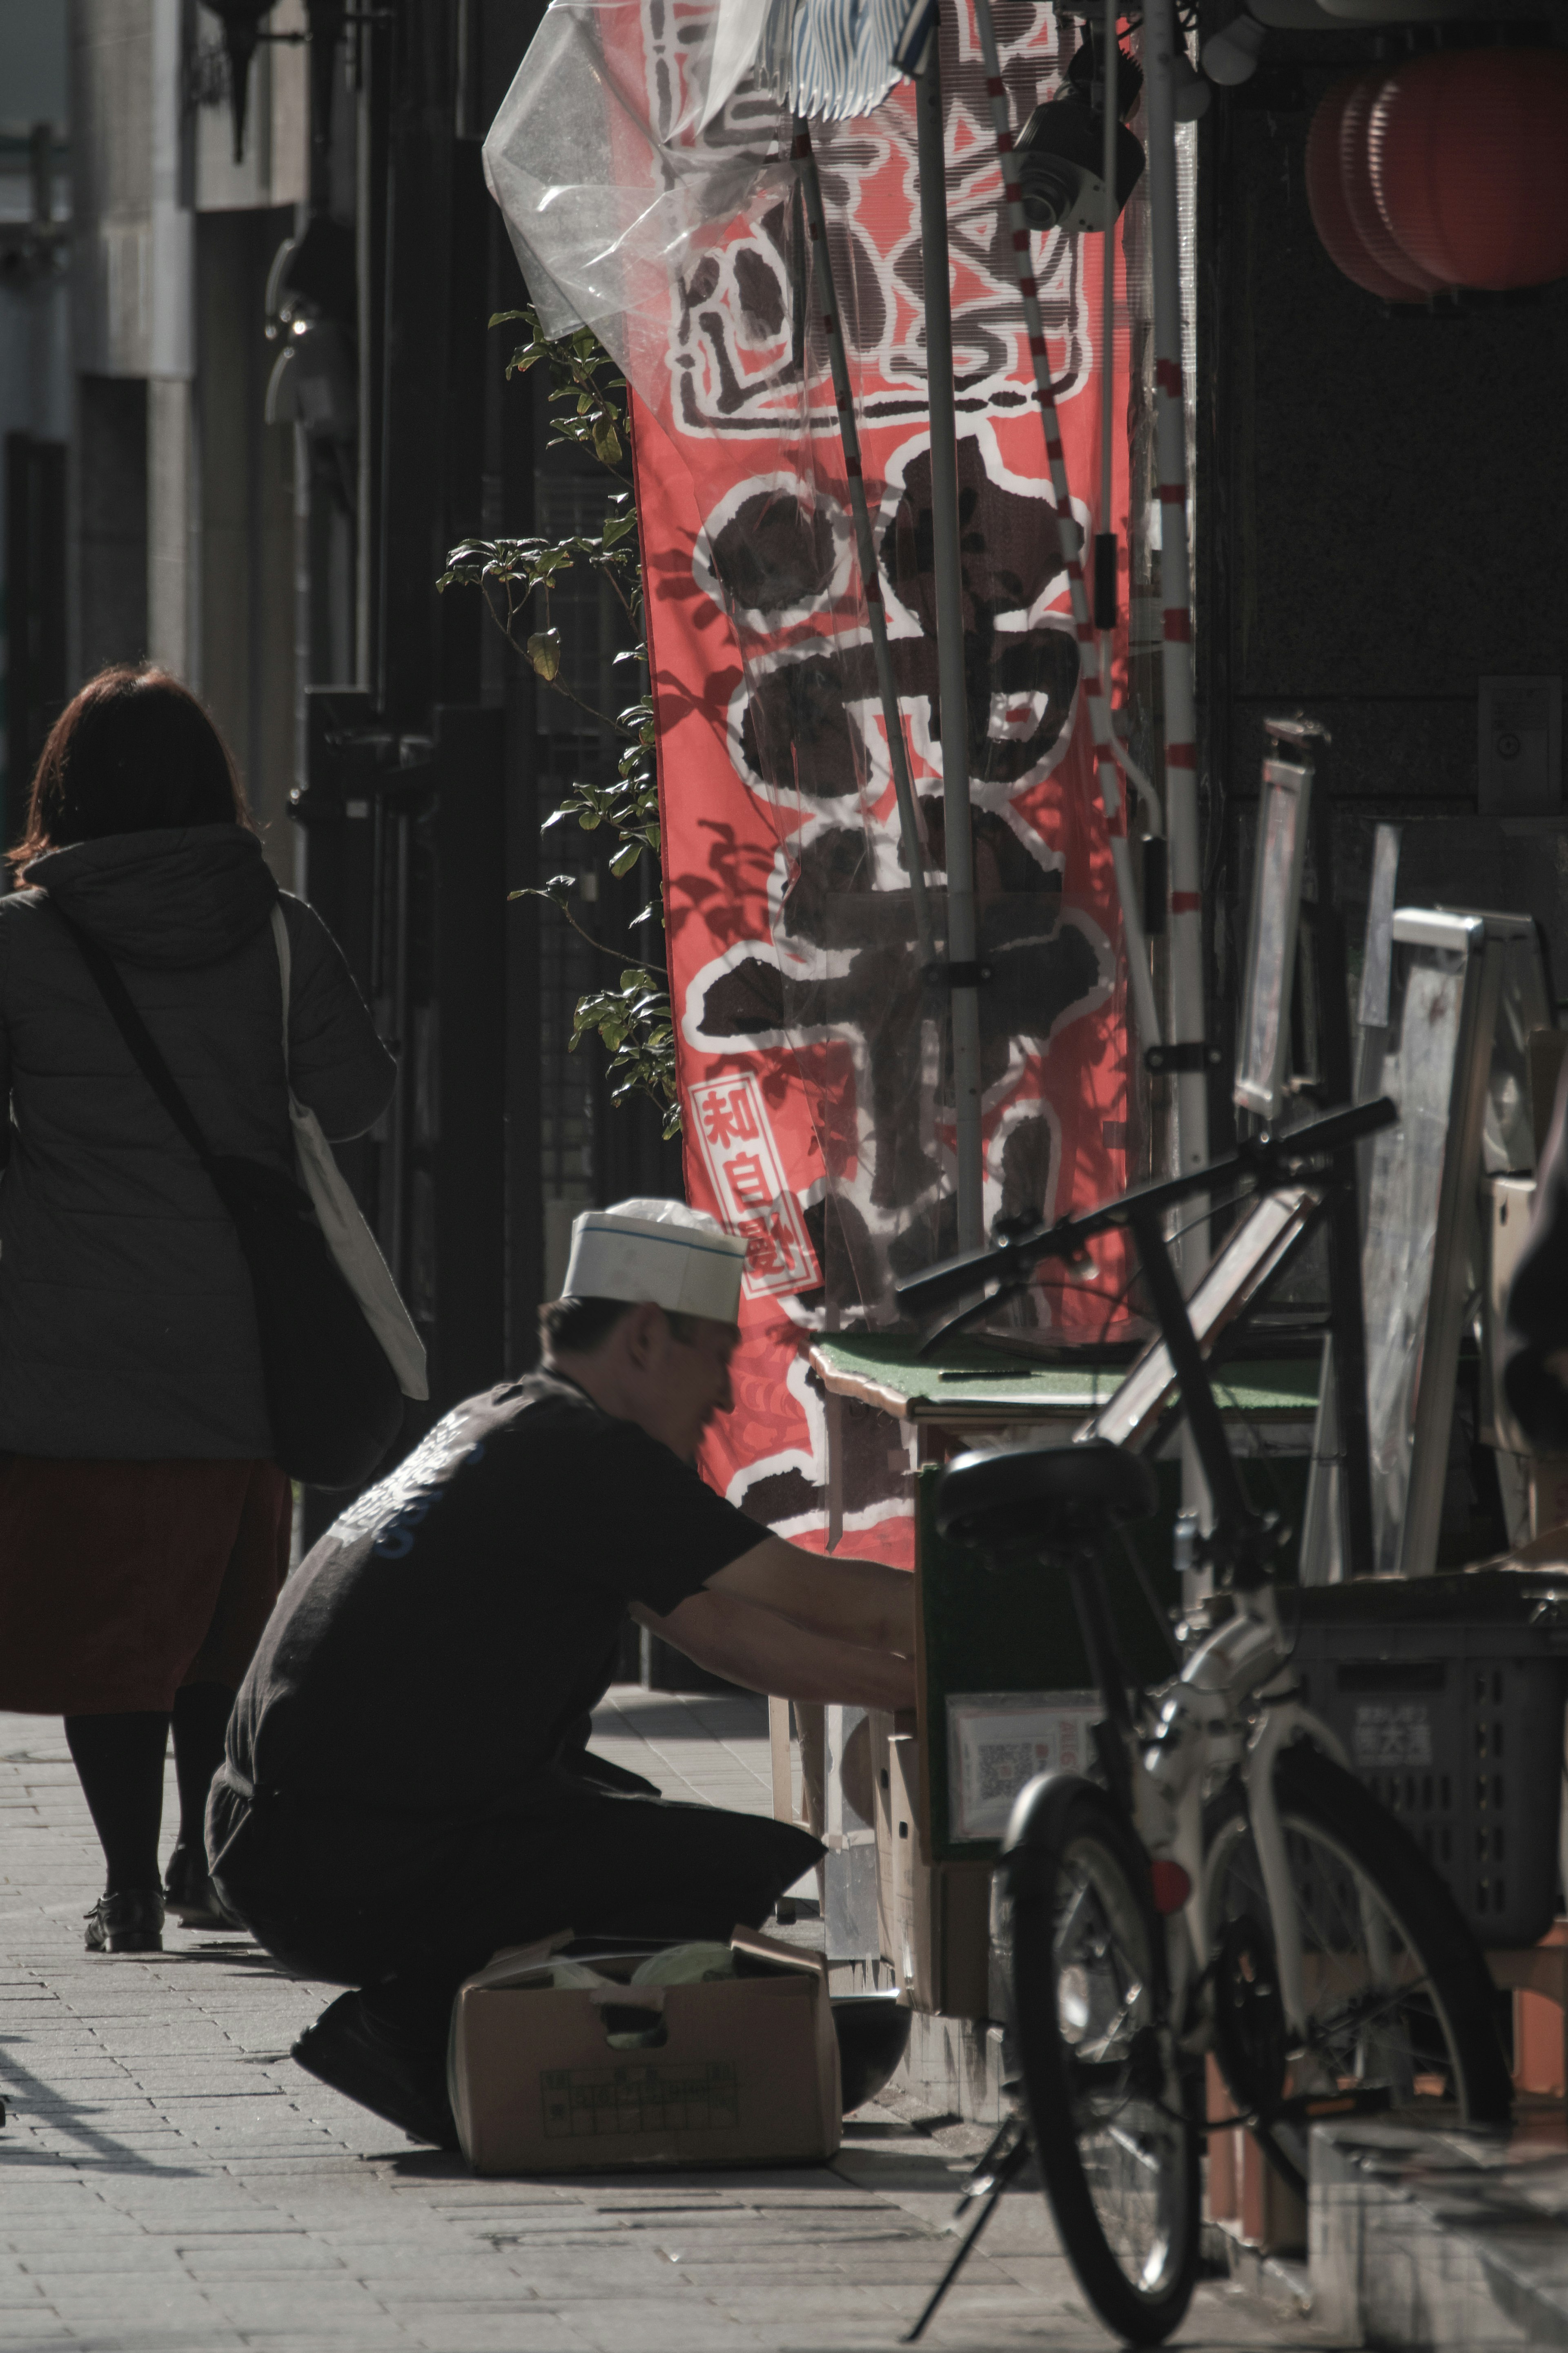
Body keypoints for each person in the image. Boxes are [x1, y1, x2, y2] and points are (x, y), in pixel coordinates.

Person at [207, 1198, 917, 2148]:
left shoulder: (502, 1420)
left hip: (273, 1837)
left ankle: (455, 2026)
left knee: (638, 1823)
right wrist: (977, 1650)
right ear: (646, 1336)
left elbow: (718, 1632)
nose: (722, 1395)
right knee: (732, 1866)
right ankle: (423, 2034)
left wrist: (902, 1686)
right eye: (714, 1355)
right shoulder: (589, 1458)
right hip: (348, 1859)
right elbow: (820, 1599)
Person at [0, 666, 396, 1956]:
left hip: (69, 1333)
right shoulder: (278, 928)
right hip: (246, 1325)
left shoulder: (19, 939)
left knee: (106, 1618)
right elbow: (358, 1100)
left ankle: (124, 1883)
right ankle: (199, 1856)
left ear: (62, 790)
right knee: (224, 1612)